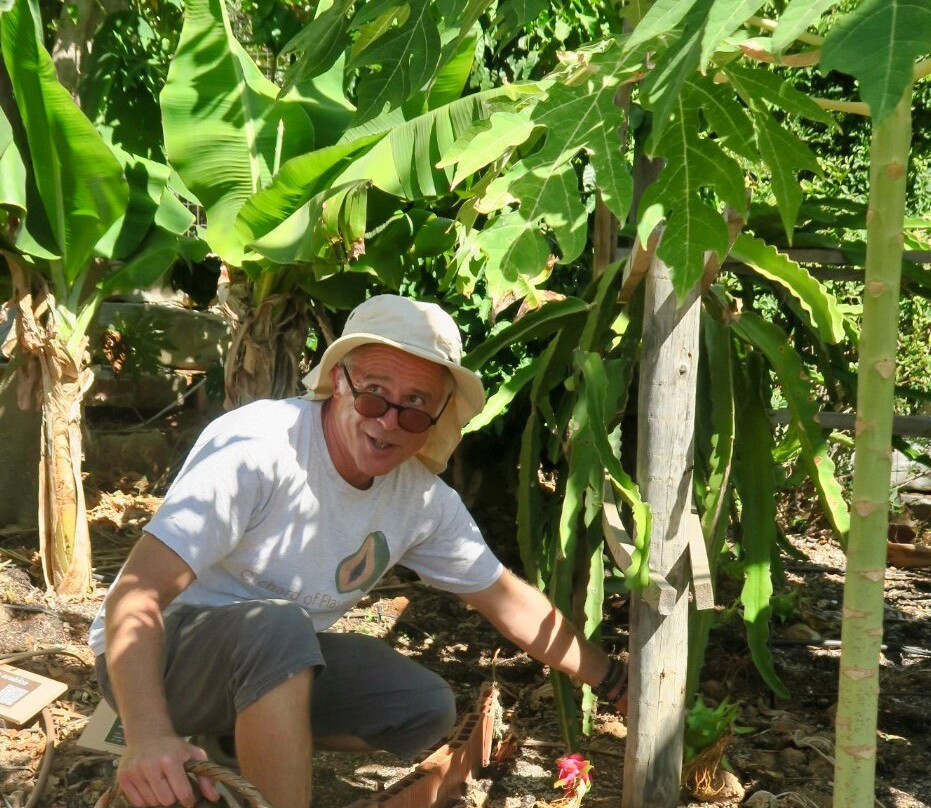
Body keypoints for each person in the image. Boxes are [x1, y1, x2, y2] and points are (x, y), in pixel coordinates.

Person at [88, 294, 628, 808]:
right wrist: (149, 736)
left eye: (415, 407)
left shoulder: (418, 497)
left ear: (438, 419)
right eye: (374, 392)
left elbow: (507, 601)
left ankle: (232, 742)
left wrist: (613, 681)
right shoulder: (259, 450)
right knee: (279, 629)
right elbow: (135, 598)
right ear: (337, 382)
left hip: (268, 663)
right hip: (153, 661)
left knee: (421, 707)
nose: (388, 420)